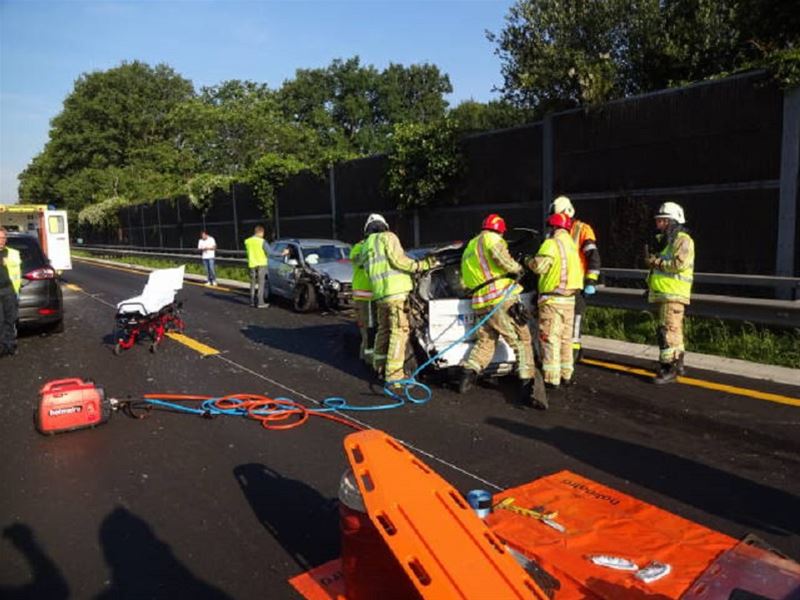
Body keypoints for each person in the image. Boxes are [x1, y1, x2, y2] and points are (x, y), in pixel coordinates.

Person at [457, 214, 542, 408]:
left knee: (486, 340)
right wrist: (517, 268)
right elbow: (502, 259)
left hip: (480, 301)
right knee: (521, 339)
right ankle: (527, 385)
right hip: (500, 297)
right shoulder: (492, 239)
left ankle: (466, 376)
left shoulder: (470, 246)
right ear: (500, 230)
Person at [362, 213, 437, 385]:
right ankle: (394, 376)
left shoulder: (367, 246)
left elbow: (368, 271)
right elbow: (399, 261)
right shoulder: (388, 237)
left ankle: (379, 366)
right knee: (399, 332)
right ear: (384, 226)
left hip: (381, 296)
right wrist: (422, 265)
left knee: (384, 330)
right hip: (396, 294)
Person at [526, 213, 583, 391]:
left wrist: (528, 260)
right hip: (570, 299)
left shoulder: (551, 244)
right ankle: (566, 375)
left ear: (553, 227)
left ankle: (551, 378)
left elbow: (540, 267)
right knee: (566, 338)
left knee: (550, 337)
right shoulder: (571, 245)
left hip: (553, 299)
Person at [646, 201, 694, 384]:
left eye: (661, 220)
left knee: (667, 331)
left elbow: (678, 265)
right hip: (667, 293)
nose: (658, 224)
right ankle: (679, 363)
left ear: (671, 221)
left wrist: (656, 262)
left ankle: (669, 368)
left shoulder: (683, 240)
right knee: (674, 330)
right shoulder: (669, 241)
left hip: (673, 294)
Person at [549, 195, 601, 362]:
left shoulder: (582, 229)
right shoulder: (553, 232)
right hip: (557, 285)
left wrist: (591, 280)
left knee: (575, 319)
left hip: (576, 284)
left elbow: (593, 256)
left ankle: (573, 352)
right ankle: (566, 353)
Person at [350, 233, 375, 366]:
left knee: (371, 329)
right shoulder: (359, 247)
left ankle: (366, 356)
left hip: (372, 296)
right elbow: (358, 261)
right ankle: (368, 360)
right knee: (368, 329)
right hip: (365, 296)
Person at [0, 227, 21, 357]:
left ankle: (10, 346)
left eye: (3, 238)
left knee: (10, 319)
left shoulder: (12, 253)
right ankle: (2, 347)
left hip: (9, 289)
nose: (1, 240)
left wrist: (5, 261)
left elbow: (16, 264)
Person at [244, 225, 271, 308]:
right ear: (260, 232)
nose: (263, 235)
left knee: (252, 284)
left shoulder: (247, 241)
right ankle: (260, 303)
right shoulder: (262, 241)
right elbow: (270, 252)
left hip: (252, 264)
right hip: (261, 264)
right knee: (261, 284)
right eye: (263, 233)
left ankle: (251, 302)